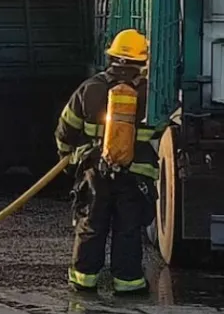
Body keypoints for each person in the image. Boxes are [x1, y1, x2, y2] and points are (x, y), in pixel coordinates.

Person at [54, 28, 163, 295]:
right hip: (135, 175)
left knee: (91, 224)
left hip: (96, 172)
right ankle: (128, 282)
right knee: (128, 228)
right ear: (142, 61)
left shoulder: (90, 88)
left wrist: (68, 159)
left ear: (112, 57)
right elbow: (163, 128)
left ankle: (83, 279)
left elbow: (65, 129)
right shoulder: (151, 94)